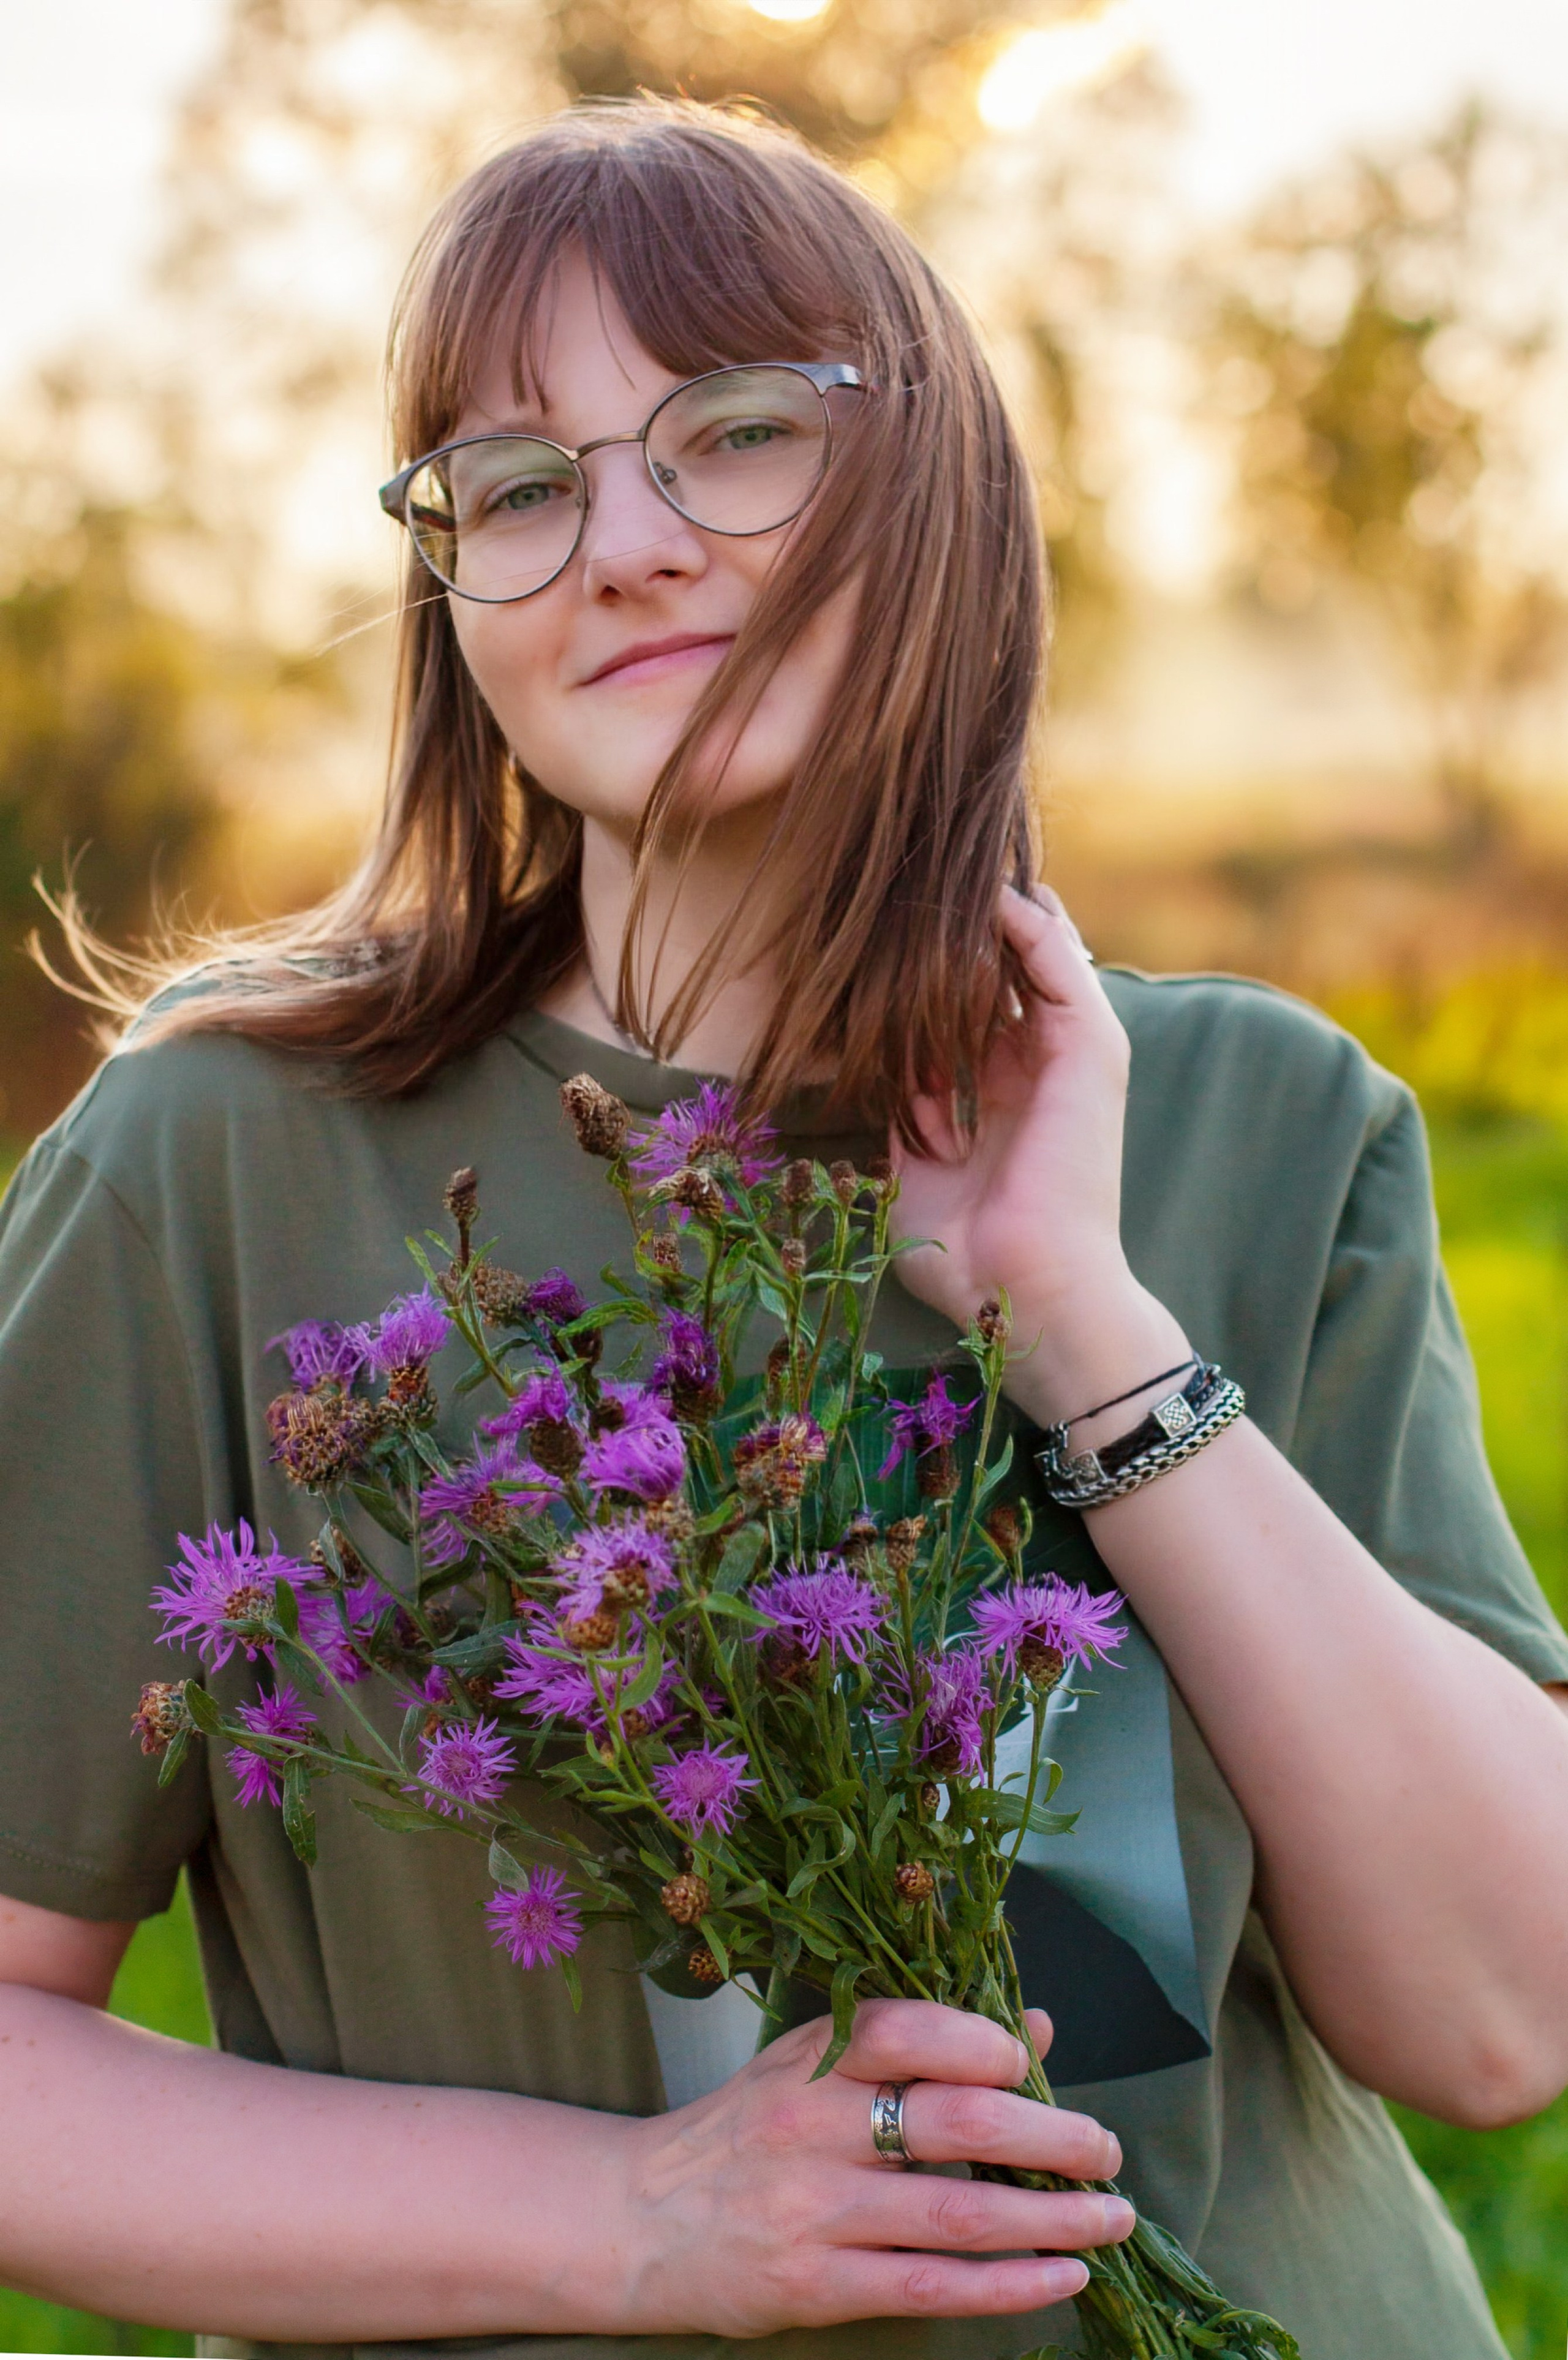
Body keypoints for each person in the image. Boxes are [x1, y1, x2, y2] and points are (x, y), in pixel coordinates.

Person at [1, 96, 1566, 2360]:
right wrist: (633, 2222)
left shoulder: (1260, 1118)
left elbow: (1500, 2023)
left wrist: (1083, 1322)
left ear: (927, 504)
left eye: (732, 436)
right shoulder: (219, 1167)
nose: (622, 543)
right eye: (518, 486)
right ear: (454, 602)